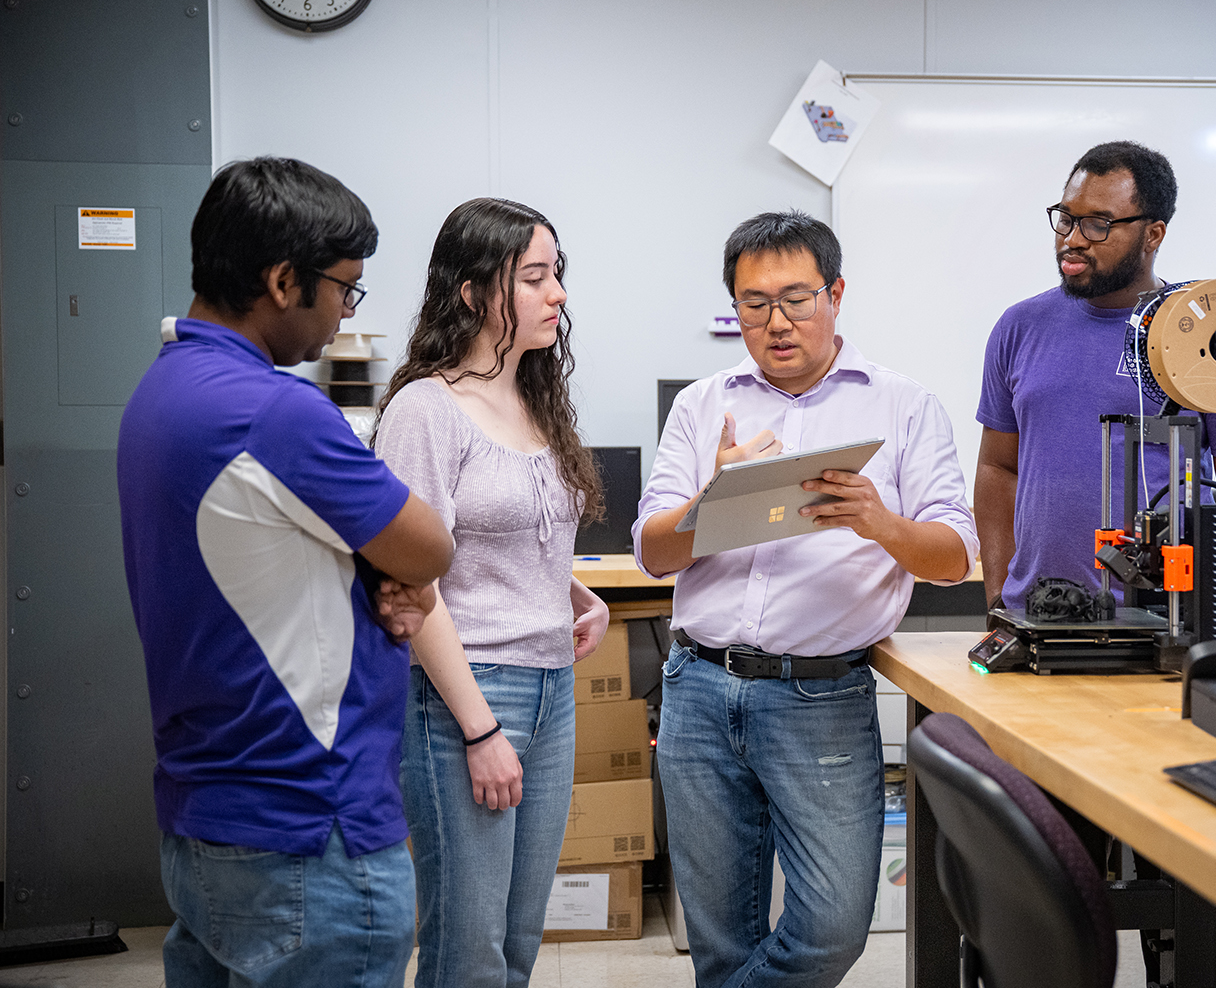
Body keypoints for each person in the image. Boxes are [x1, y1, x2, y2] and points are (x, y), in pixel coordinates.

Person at [117, 156, 455, 988]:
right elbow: (428, 547)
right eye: (345, 288)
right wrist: (393, 574)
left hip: (205, 819)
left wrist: (365, 575)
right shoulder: (275, 409)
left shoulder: (159, 394)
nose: (346, 311)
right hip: (312, 830)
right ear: (280, 280)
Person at [634, 210, 978, 988]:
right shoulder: (702, 405)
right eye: (754, 304)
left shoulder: (903, 405)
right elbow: (653, 553)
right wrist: (712, 503)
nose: (777, 322)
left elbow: (955, 555)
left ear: (837, 292)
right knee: (720, 939)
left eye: (797, 298)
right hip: (699, 687)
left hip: (818, 694)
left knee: (829, 926)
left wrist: (878, 521)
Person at [371, 198, 610, 988]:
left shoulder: (534, 394)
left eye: (558, 275)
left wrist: (571, 592)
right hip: (467, 695)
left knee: (516, 944)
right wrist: (478, 729)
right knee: (467, 952)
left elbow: (497, 535)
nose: (558, 295)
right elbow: (412, 578)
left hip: (551, 688)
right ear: (473, 292)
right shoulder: (426, 409)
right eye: (535, 277)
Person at [975, 140, 1216, 613]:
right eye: (1066, 218)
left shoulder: (1215, 341)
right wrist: (997, 599)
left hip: (1166, 624)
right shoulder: (1019, 327)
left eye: (1099, 224)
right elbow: (998, 469)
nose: (1072, 239)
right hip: (1037, 617)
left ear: (1153, 234)